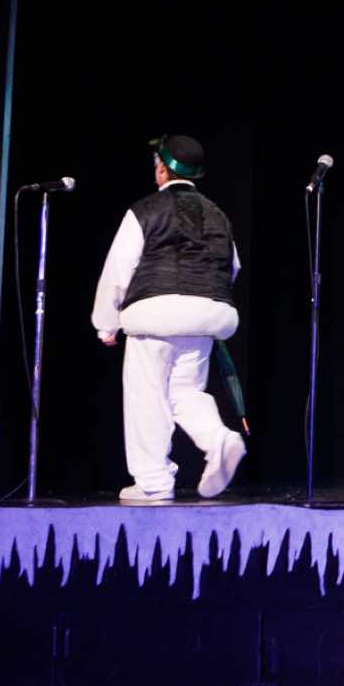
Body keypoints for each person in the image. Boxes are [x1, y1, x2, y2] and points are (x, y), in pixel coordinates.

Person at [91, 134, 246, 503]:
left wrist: (106, 323)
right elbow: (232, 267)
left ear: (162, 169)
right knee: (185, 392)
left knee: (148, 395)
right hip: (208, 313)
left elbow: (119, 268)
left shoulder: (145, 210)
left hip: (156, 314)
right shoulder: (218, 215)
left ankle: (153, 481)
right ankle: (219, 439)